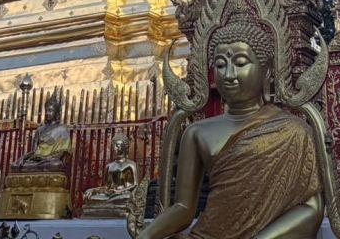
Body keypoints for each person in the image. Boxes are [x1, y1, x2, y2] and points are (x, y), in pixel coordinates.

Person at [138, 17, 323, 239]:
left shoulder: (295, 131)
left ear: (267, 71)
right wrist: (146, 236)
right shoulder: (196, 133)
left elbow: (312, 208)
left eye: (241, 63)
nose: (228, 74)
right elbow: (183, 208)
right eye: (220, 65)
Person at [82, 133, 139, 216]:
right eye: (114, 146)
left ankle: (111, 205)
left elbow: (135, 184)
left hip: (123, 194)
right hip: (109, 194)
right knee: (89, 197)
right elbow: (106, 187)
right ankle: (107, 205)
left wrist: (119, 191)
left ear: (124, 147)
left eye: (118, 146)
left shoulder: (131, 164)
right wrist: (93, 190)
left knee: (127, 198)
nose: (115, 148)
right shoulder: (109, 166)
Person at [12, 93, 71, 172]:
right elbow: (34, 151)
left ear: (57, 113)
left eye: (50, 111)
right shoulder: (40, 130)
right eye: (46, 111)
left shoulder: (62, 129)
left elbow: (63, 152)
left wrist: (47, 158)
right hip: (37, 161)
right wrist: (23, 157)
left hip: (50, 160)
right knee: (15, 165)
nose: (47, 113)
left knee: (56, 164)